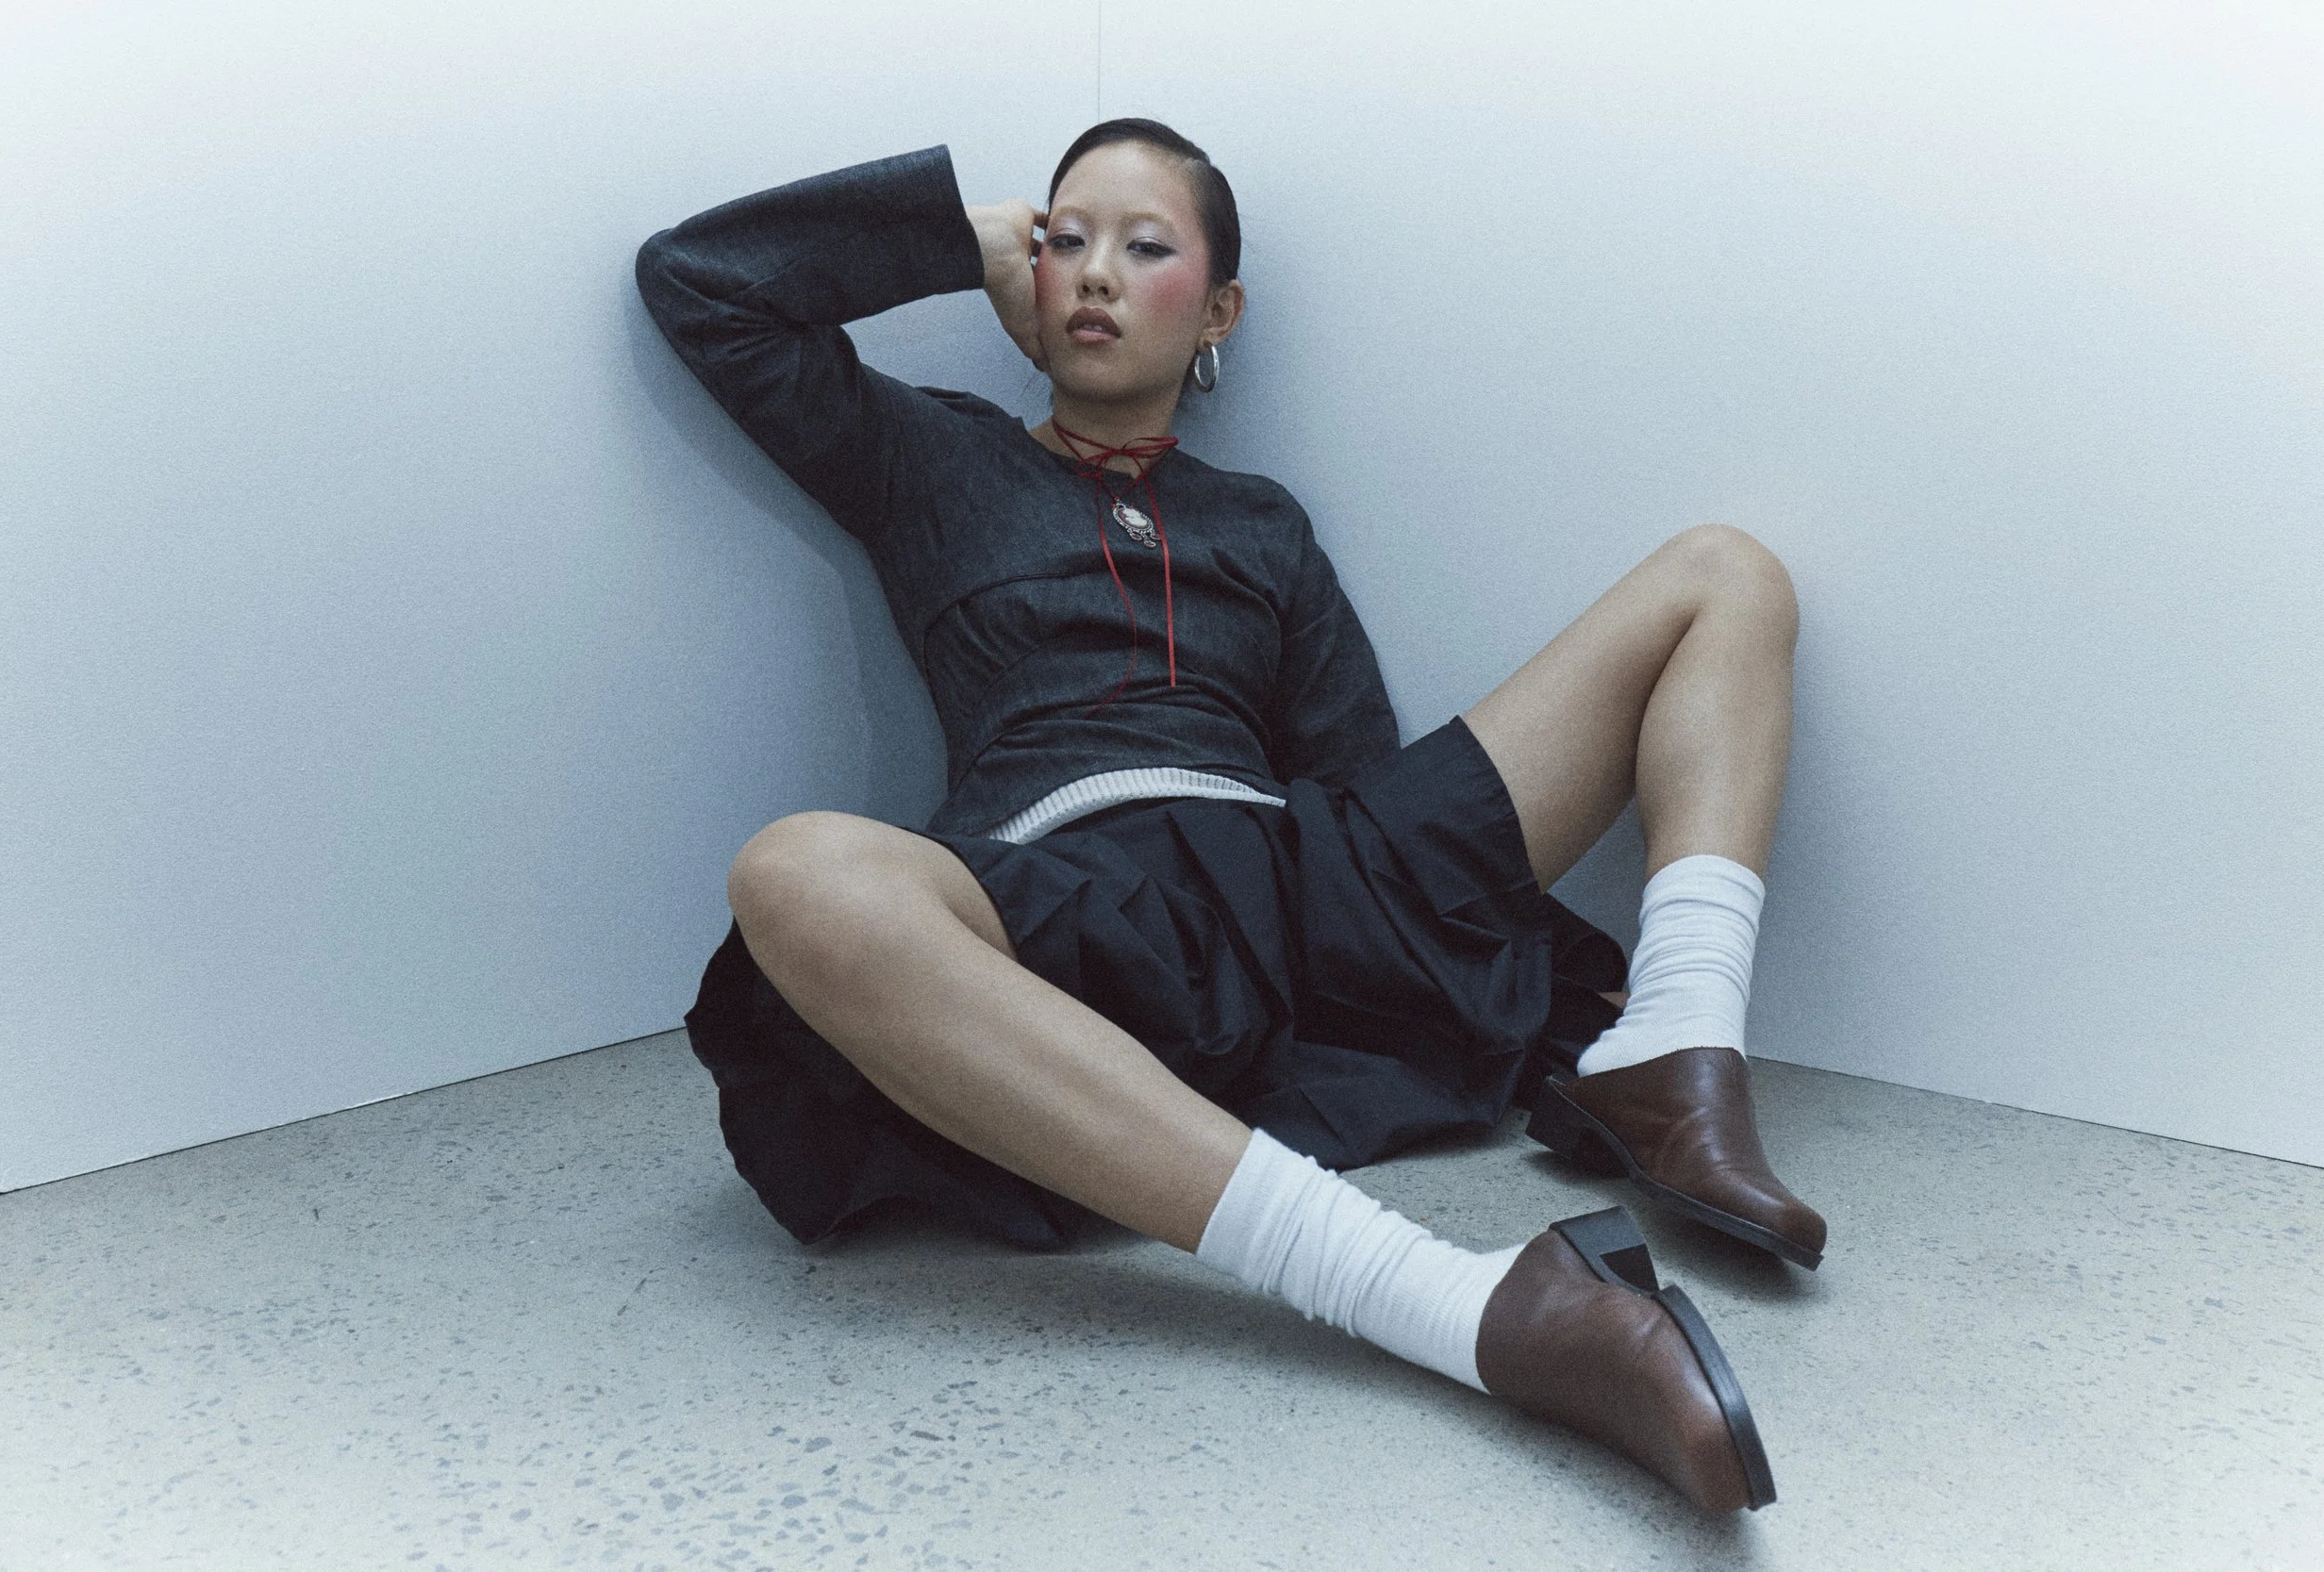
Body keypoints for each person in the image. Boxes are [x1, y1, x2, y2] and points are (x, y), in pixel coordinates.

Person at [636, 119, 1822, 1514]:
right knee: (793, 872)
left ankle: (1678, 1047)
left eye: (1145, 247)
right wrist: (968, 241)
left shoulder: (1262, 522)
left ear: (1218, 313)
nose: (1093, 272)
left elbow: (1358, 771)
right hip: (1076, 898)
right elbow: (700, 286)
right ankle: (1447, 1300)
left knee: (1728, 571)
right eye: (1065, 240)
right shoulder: (930, 456)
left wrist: (1520, 955)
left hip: (1301, 877)